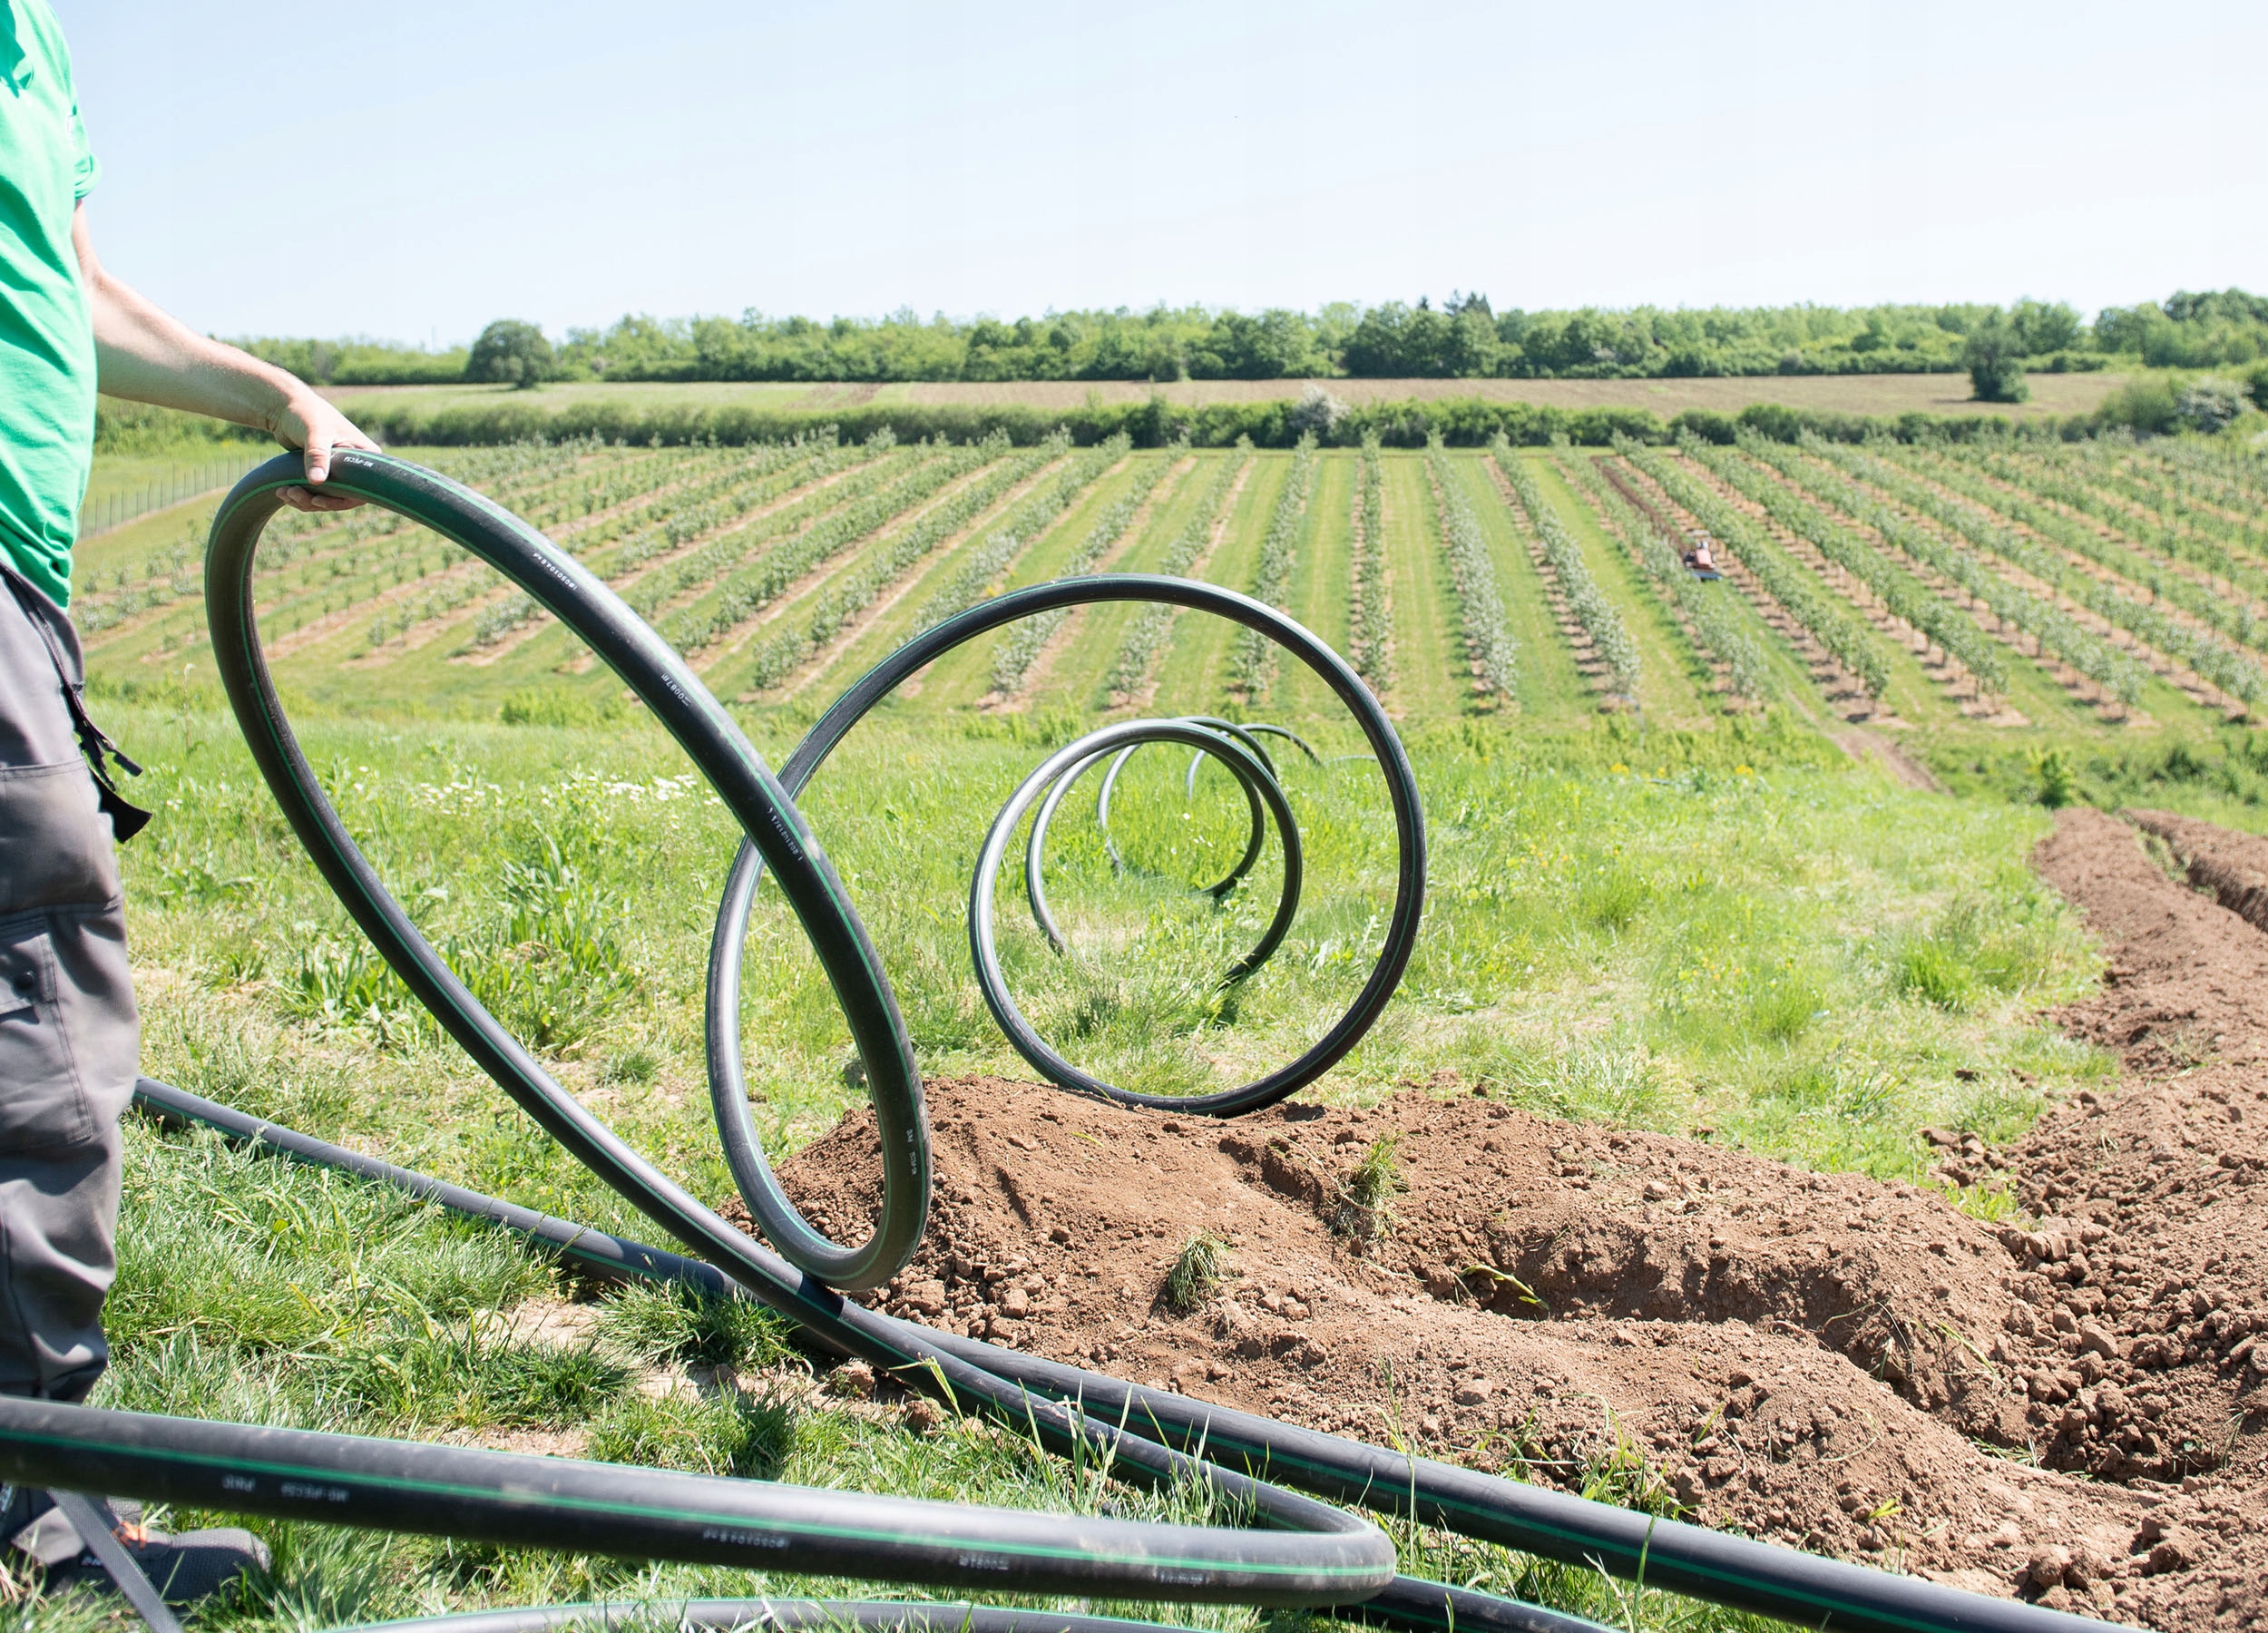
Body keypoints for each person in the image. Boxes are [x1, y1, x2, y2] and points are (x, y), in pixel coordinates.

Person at [0, 0, 375, 1600]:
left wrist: (267, 392)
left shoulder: (37, 48)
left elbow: (72, 289)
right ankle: (31, 1503)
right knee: (37, 953)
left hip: (24, 569)